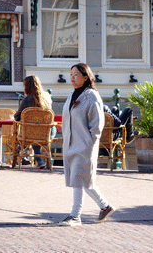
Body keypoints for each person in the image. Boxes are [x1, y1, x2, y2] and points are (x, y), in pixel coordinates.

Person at [59, 63, 115, 227]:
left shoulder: (91, 95)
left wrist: (90, 143)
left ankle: (75, 216)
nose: (72, 77)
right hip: (71, 144)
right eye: (71, 74)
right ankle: (105, 206)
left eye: (76, 74)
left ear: (86, 77)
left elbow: (97, 124)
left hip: (84, 145)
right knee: (83, 179)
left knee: (79, 179)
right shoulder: (72, 95)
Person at [14, 75, 56, 169]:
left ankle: (21, 151)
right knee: (37, 131)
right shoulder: (46, 100)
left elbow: (17, 117)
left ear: (27, 86)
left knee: (32, 131)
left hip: (29, 134)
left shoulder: (27, 100)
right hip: (47, 133)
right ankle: (40, 160)